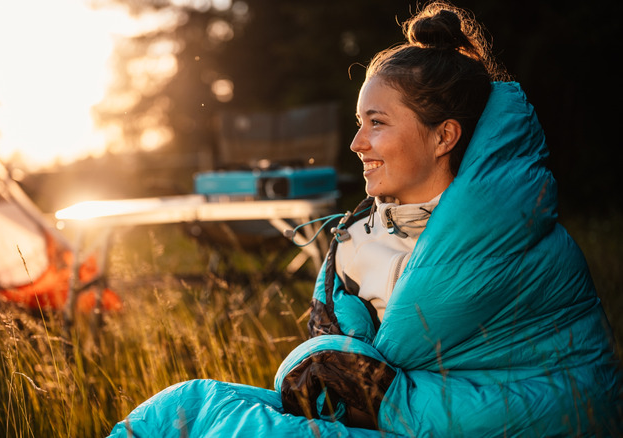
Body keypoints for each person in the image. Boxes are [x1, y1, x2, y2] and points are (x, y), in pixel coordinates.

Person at [109, 2, 622, 436]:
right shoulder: (353, 243)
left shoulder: (517, 240)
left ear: (444, 136)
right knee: (180, 409)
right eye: (359, 123)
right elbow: (331, 356)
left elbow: (564, 389)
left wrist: (376, 394)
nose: (357, 143)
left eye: (376, 123)